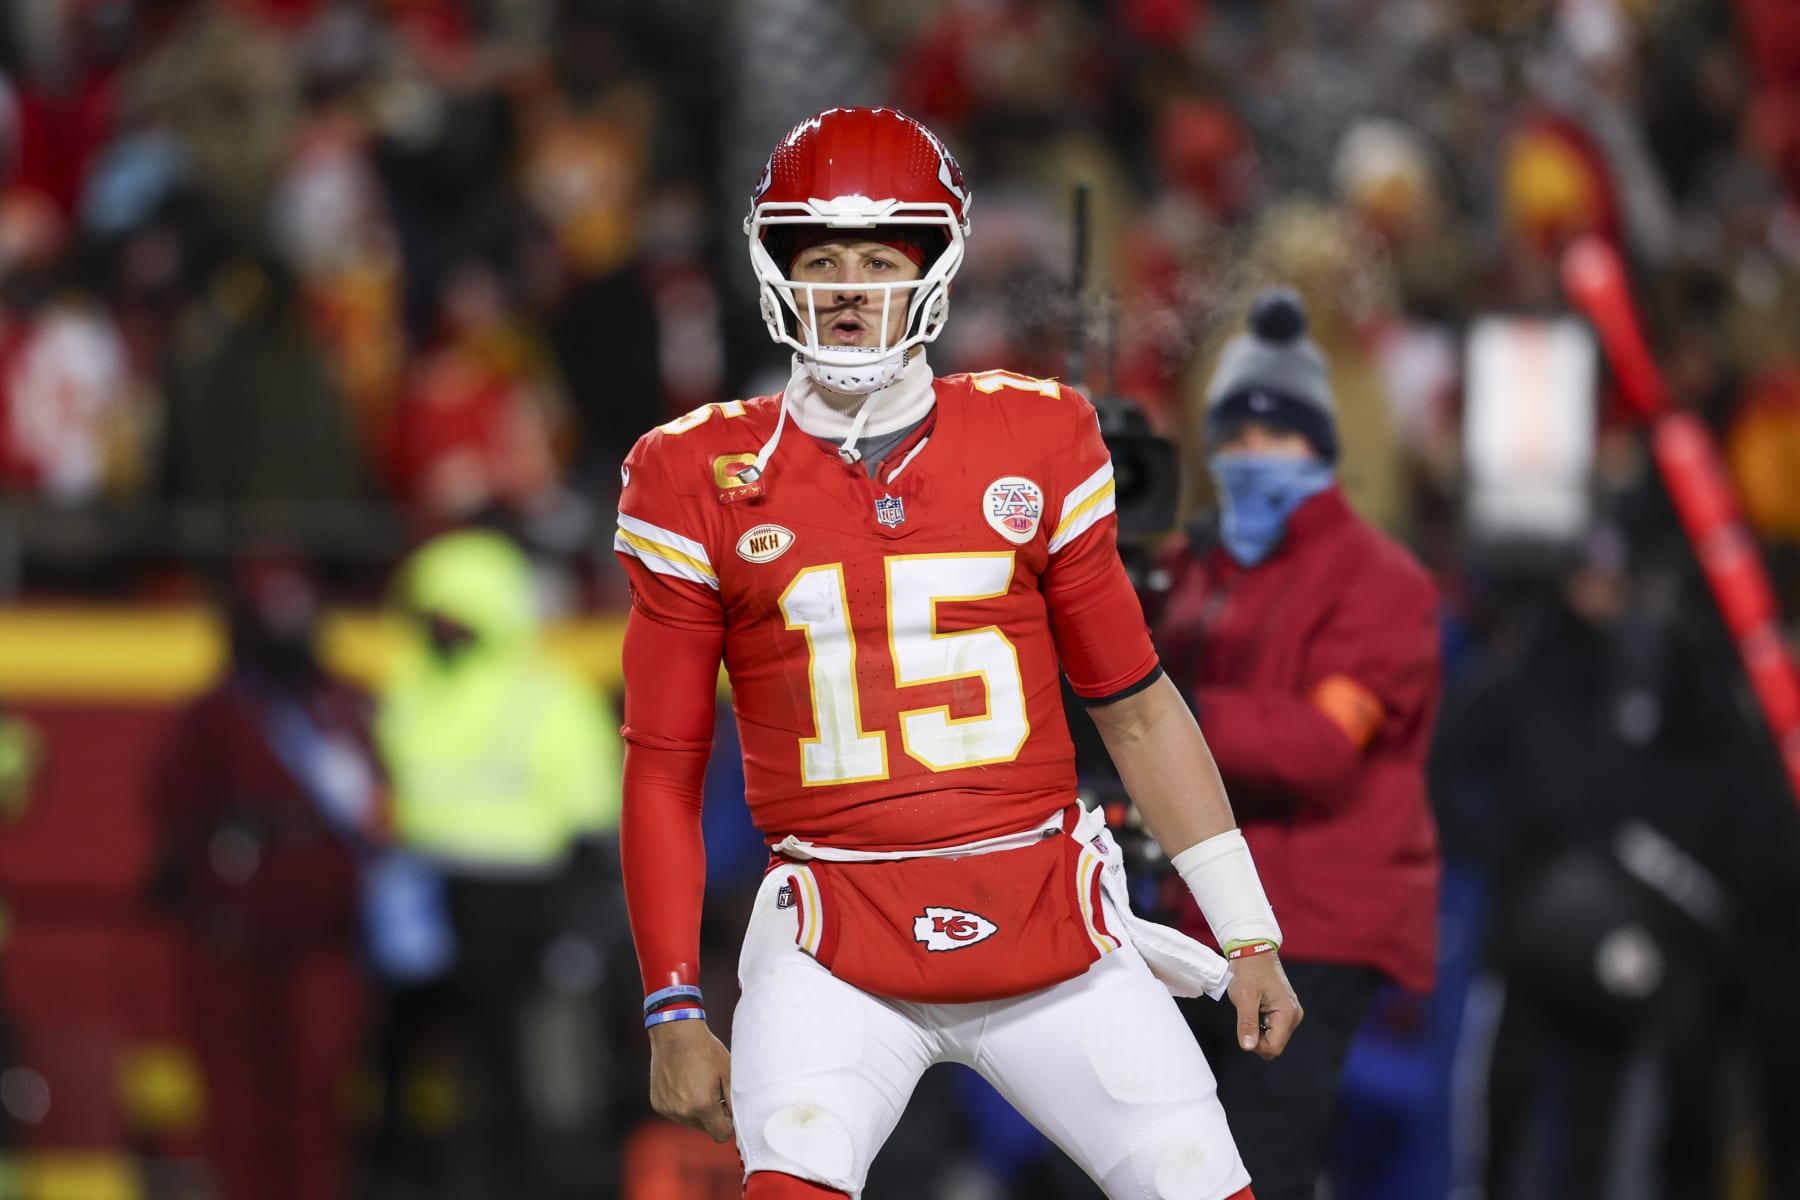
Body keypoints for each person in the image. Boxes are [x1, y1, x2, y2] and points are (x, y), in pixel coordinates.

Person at [613, 105, 1301, 1200]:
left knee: (1198, 1183)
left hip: (1047, 925)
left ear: (933, 267)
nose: (846, 286)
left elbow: (1136, 706)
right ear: (776, 265)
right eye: (821, 257)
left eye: (878, 258)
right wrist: (673, 1005)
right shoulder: (696, 471)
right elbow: (662, 765)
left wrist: (1246, 930)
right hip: (834, 940)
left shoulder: (1038, 434)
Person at [1147, 290, 1442, 1200]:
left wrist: (1164, 716)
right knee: (1149, 1156)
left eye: (1275, 438)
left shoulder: (1378, 580)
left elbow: (1321, 746)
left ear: (1320, 445)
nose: (1250, 458)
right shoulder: (1196, 566)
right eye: (1234, 437)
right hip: (1203, 912)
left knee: (1260, 1162)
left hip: (1316, 916)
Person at [374, 526, 622, 1200]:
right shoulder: (411, 684)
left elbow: (595, 817)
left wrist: (581, 925)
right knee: (412, 1059)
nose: (439, 628)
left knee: (513, 1063)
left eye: (451, 612)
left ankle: (517, 1181)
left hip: (521, 900)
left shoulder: (547, 696)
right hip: (422, 893)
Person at [148, 553, 380, 1200]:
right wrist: (213, 904)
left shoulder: (343, 706)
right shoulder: (213, 716)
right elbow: (178, 816)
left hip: (326, 933)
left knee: (317, 1087)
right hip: (232, 936)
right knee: (237, 1094)